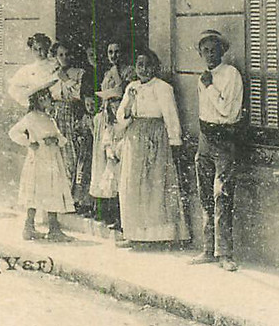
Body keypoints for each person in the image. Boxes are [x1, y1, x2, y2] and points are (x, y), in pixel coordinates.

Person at [116, 49, 189, 245]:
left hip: (155, 139)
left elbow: (170, 115)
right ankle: (134, 234)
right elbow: (121, 118)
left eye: (148, 65)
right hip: (134, 138)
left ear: (155, 67)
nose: (144, 69)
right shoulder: (131, 87)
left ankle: (157, 236)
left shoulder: (163, 88)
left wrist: (175, 141)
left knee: (154, 185)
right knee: (132, 185)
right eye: (140, 65)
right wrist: (130, 101)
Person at [191, 29, 243, 273]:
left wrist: (210, 87)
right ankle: (208, 249)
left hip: (224, 139)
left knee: (222, 194)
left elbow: (227, 112)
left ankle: (225, 253)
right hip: (205, 139)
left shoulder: (231, 75)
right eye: (205, 51)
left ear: (222, 51)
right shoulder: (203, 77)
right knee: (204, 195)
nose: (209, 55)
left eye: (213, 50)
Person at [9, 84, 74, 242]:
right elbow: (13, 132)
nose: (46, 100)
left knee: (53, 191)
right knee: (35, 192)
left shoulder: (49, 118)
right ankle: (29, 227)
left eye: (47, 97)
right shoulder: (31, 117)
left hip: (51, 159)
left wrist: (55, 140)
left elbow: (60, 138)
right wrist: (29, 142)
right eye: (42, 98)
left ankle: (53, 228)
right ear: (36, 100)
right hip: (38, 159)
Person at [89, 86, 125, 231]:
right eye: (112, 105)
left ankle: (123, 220)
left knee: (123, 188)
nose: (115, 108)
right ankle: (116, 218)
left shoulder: (125, 122)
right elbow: (106, 139)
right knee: (113, 188)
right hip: (113, 157)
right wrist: (110, 152)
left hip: (123, 154)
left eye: (117, 104)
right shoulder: (110, 124)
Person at [49, 40, 84, 186]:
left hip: (72, 113)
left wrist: (67, 80)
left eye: (67, 54)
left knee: (71, 154)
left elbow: (79, 93)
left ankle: (70, 193)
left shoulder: (79, 73)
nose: (64, 57)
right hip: (55, 114)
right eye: (60, 55)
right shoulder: (52, 73)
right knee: (55, 154)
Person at [8, 33, 56, 107]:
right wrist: (29, 100)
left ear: (47, 48)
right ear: (31, 50)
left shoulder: (54, 65)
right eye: (35, 49)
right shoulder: (27, 69)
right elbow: (13, 89)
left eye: (41, 49)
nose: (39, 52)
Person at [72, 92, 96, 215]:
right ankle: (80, 201)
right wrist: (80, 136)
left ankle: (89, 204)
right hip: (85, 150)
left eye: (93, 104)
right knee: (82, 174)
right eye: (87, 104)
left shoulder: (98, 118)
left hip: (95, 149)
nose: (90, 107)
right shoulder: (85, 118)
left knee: (91, 174)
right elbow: (78, 130)